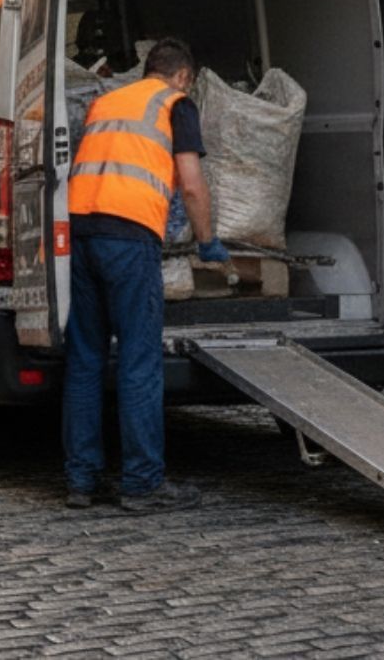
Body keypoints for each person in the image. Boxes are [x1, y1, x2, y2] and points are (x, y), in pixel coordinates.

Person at [63, 37, 228, 513]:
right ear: (182, 76)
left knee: (86, 360)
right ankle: (141, 483)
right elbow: (192, 185)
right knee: (139, 361)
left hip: (79, 234)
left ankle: (81, 482)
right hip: (129, 239)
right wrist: (206, 241)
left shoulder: (107, 101)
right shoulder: (176, 105)